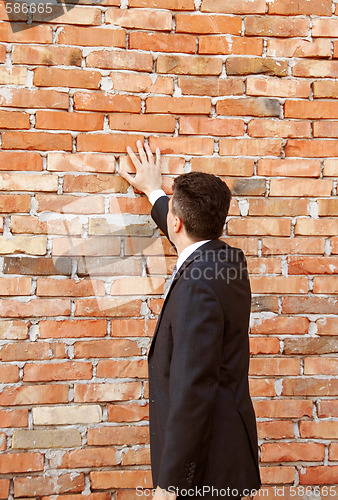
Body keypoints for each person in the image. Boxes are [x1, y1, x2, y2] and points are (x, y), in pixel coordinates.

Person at [119, 141, 261, 500]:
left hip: (205, 469)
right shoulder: (229, 262)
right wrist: (153, 191)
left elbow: (194, 388)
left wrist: (171, 483)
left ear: (178, 222)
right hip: (228, 451)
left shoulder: (197, 287)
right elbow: (184, 230)